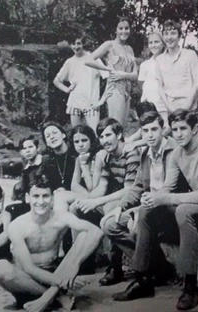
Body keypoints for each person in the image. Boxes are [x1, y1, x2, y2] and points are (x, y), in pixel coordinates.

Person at [111, 109, 198, 310]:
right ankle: (143, 279)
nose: (178, 134)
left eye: (183, 129)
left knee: (183, 211)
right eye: (175, 129)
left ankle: (190, 287)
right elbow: (168, 187)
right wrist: (152, 200)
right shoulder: (177, 153)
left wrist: (165, 198)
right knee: (147, 210)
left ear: (195, 129)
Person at [101, 110, 190, 287]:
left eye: (154, 130)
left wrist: (139, 211)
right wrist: (121, 207)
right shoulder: (146, 154)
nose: (149, 135)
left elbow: (173, 190)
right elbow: (138, 186)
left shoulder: (174, 151)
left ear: (162, 129)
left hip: (171, 209)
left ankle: (145, 274)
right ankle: (161, 266)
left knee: (137, 223)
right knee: (109, 224)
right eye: (145, 130)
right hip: (149, 206)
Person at [0, 175, 103, 311]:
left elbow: (97, 232)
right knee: (0, 268)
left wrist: (75, 265)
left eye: (45, 196)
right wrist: (62, 282)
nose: (41, 201)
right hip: (26, 282)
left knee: (85, 234)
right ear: (28, 198)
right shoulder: (17, 226)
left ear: (52, 199)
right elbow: (29, 268)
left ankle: (48, 298)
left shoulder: (61, 217)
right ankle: (56, 297)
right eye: (36, 196)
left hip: (54, 271)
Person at [69, 118, 140, 285]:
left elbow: (130, 190)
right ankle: (81, 261)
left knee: (110, 210)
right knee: (75, 208)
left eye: (108, 135)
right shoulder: (107, 156)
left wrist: (97, 202)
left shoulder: (131, 153)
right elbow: (102, 185)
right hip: (117, 198)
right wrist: (87, 200)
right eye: (101, 136)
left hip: (133, 200)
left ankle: (115, 267)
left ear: (119, 134)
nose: (105, 140)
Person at [85, 16, 137, 127]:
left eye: (126, 28)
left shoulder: (130, 49)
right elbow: (88, 60)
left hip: (127, 91)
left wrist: (123, 75)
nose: (124, 31)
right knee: (115, 126)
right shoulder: (109, 45)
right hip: (114, 90)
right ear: (116, 30)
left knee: (122, 127)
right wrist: (107, 69)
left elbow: (135, 75)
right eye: (121, 28)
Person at [54, 35, 103, 130]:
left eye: (78, 43)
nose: (76, 47)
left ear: (83, 43)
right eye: (73, 44)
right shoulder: (69, 62)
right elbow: (57, 81)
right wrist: (67, 89)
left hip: (91, 104)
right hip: (75, 103)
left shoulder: (93, 58)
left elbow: (107, 76)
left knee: (95, 133)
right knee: (77, 134)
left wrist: (102, 100)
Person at [156, 20, 198, 114]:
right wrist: (170, 108)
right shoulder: (159, 60)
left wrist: (186, 107)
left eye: (173, 33)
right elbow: (160, 87)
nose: (169, 37)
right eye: (166, 34)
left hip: (189, 108)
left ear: (179, 36)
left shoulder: (190, 55)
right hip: (169, 108)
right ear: (163, 37)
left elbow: (196, 83)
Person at [138, 32, 168, 127]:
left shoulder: (168, 62)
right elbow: (141, 84)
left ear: (163, 43)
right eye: (151, 42)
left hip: (164, 105)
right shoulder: (145, 64)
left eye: (156, 42)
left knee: (165, 130)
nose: (153, 45)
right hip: (149, 105)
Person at [40, 121, 78, 192]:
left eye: (54, 133)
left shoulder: (75, 154)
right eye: (48, 136)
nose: (52, 137)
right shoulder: (47, 161)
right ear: (47, 143)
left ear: (63, 135)